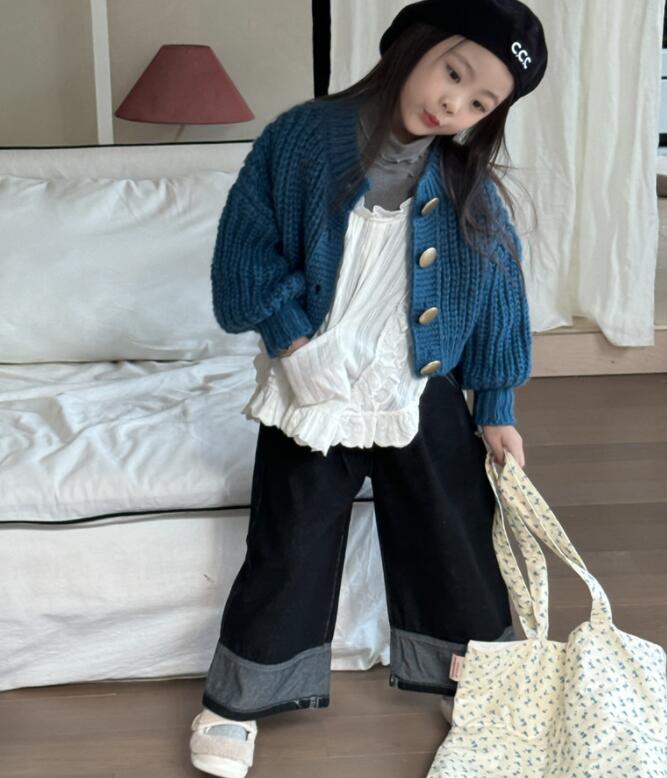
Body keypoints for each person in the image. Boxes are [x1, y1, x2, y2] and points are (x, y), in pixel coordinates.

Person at [189, 1, 548, 775]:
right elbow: (245, 250)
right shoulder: (301, 138)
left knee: (455, 530)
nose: (454, 103)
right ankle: (239, 698)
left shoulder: (466, 184)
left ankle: (472, 677)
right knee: (289, 537)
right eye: (453, 72)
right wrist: (291, 341)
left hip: (415, 384)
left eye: (479, 102)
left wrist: (496, 407)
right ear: (415, 45)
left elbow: (498, 294)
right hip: (312, 383)